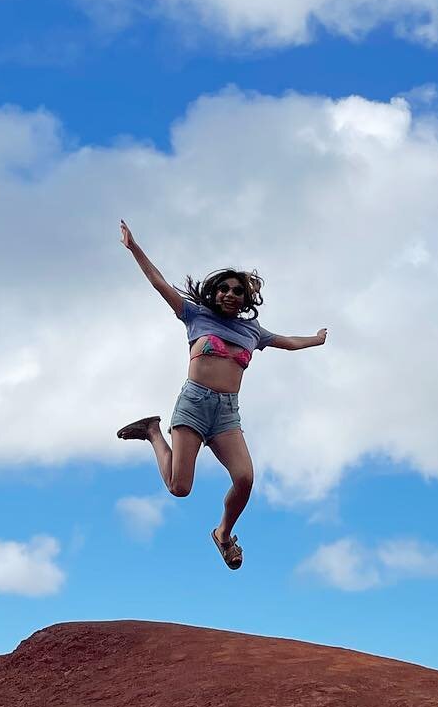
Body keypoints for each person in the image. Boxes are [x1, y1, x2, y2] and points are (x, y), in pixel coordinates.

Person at [116, 220, 328, 569]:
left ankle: (223, 534)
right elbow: (158, 282)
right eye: (224, 289)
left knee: (245, 478)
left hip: (227, 413)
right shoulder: (194, 315)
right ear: (214, 293)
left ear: (246, 299)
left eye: (238, 291)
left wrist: (316, 339)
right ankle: (153, 431)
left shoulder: (251, 330)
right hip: (195, 404)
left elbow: (289, 343)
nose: (231, 294)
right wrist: (134, 247)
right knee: (179, 488)